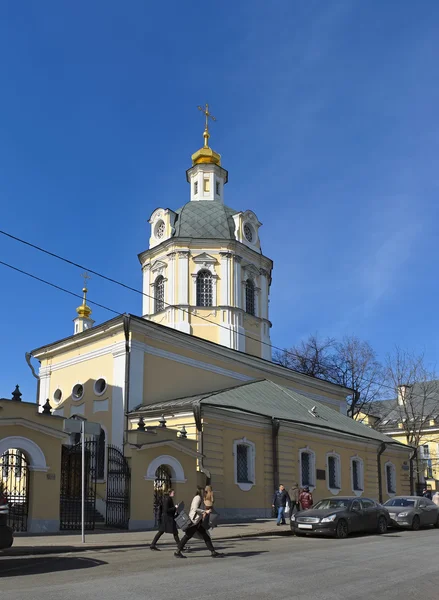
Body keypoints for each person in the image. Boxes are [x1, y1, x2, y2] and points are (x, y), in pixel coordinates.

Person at [174, 487, 224, 559]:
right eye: (204, 491)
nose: (205, 493)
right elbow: (195, 508)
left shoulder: (200, 498)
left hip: (198, 522)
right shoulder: (197, 497)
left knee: (205, 535)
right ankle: (177, 552)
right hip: (194, 521)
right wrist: (205, 511)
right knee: (187, 536)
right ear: (201, 491)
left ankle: (213, 552)